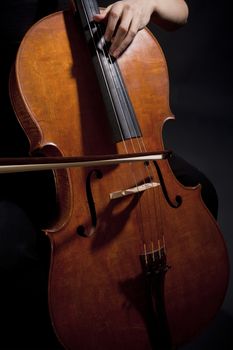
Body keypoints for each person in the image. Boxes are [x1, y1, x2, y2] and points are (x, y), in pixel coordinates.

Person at [0, 0, 217, 348]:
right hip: (36, 153)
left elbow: (181, 12)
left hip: (125, 145)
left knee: (203, 192)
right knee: (11, 252)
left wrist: (148, 4)